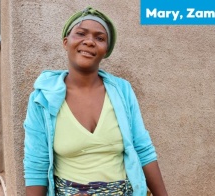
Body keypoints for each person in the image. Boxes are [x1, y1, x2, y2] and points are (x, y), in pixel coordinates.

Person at [23, 6, 168, 196]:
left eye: (99, 38)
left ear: (106, 50)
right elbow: (36, 167)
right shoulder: (42, 99)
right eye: (81, 34)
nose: (89, 41)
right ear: (66, 42)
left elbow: (143, 149)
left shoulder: (122, 91)